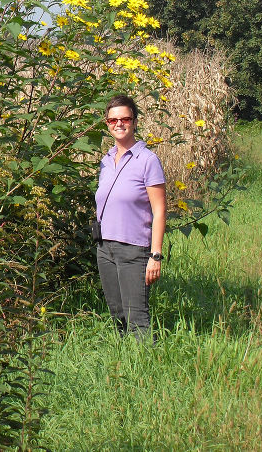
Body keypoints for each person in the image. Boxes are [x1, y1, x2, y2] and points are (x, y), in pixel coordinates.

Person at [93, 94, 166, 339]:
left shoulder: (147, 160)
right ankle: (123, 368)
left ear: (134, 122)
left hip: (134, 249)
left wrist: (155, 255)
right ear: (107, 124)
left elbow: (159, 210)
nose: (119, 124)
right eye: (113, 120)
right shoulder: (105, 162)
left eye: (125, 118)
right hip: (105, 249)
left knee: (138, 319)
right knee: (118, 316)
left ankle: (147, 369)